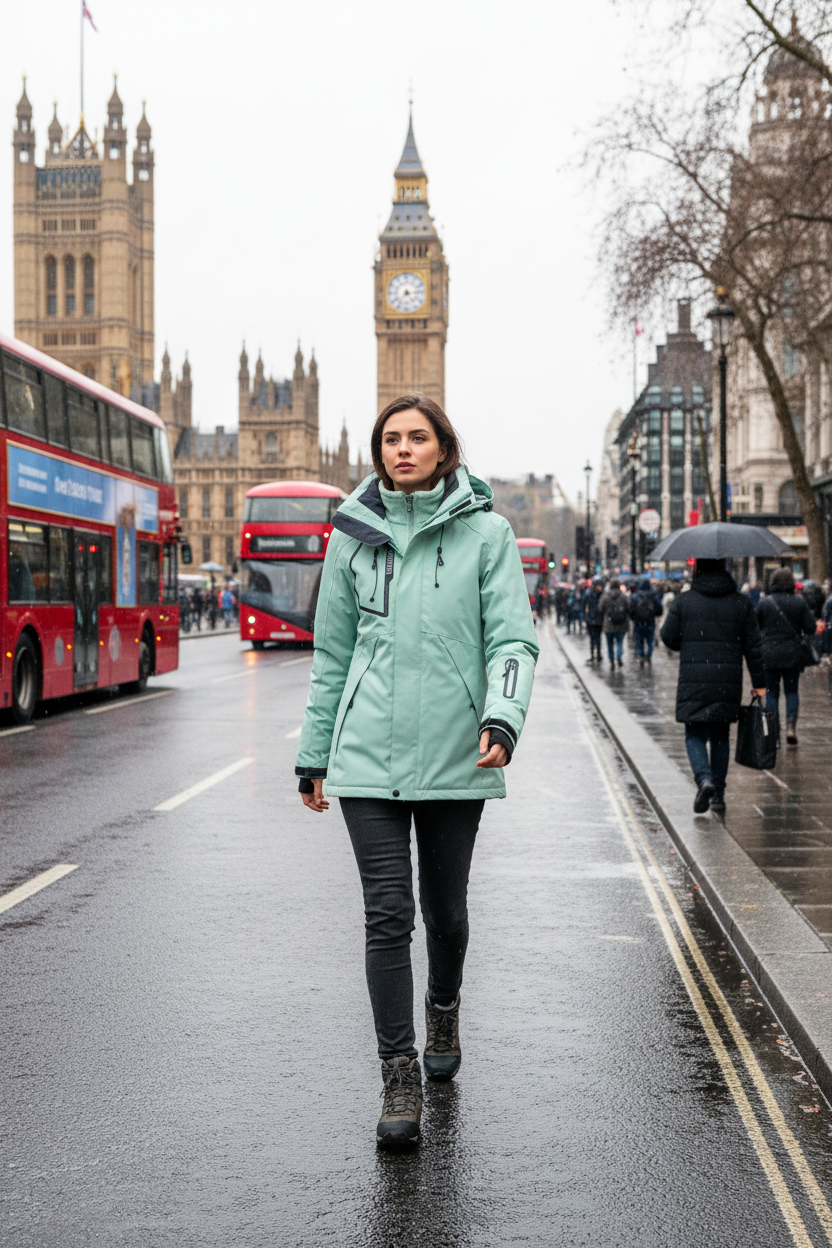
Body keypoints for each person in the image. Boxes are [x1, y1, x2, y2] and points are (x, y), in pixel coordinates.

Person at [294, 392, 539, 1151]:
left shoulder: (487, 535)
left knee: (447, 914)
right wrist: (314, 751)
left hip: (457, 753)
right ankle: (398, 1076)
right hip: (367, 757)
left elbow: (513, 641)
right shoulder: (350, 541)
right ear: (379, 453)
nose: (403, 449)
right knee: (386, 916)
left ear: (443, 448)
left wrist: (502, 718)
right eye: (391, 439)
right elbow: (332, 655)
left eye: (416, 437)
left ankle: (443, 1006)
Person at [661, 558, 765, 816]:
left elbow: (668, 636)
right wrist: (760, 684)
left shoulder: (685, 600)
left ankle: (704, 779)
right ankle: (718, 794)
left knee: (694, 733)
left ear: (698, 569)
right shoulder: (741, 603)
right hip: (727, 681)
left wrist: (689, 644)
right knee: (720, 736)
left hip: (693, 678)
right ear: (724, 569)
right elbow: (754, 647)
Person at [756, 568, 817, 745]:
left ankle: (774, 731)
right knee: (791, 691)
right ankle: (791, 726)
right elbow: (811, 628)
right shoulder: (799, 602)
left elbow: (754, 626)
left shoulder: (764, 603)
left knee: (772, 693)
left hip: (769, 654)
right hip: (792, 653)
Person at [630, 577, 662, 665]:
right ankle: (649, 654)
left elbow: (631, 609)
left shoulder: (636, 595)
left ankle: (641, 655)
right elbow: (659, 608)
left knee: (640, 639)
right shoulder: (654, 595)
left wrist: (633, 618)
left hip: (639, 621)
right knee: (650, 639)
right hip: (650, 621)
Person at [599, 577, 629, 666]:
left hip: (609, 624)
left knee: (610, 643)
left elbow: (600, 608)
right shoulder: (623, 596)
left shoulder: (606, 596)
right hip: (621, 624)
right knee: (620, 642)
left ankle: (611, 659)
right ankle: (619, 656)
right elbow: (628, 608)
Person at [582, 578, 604, 663]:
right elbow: (584, 606)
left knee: (598, 638)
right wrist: (585, 619)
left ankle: (598, 653)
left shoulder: (600, 594)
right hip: (591, 620)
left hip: (598, 620)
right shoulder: (589, 594)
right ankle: (592, 655)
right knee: (592, 638)